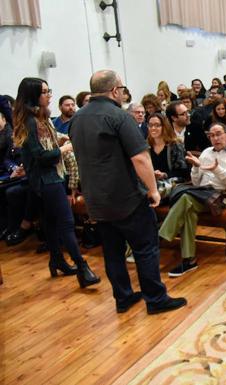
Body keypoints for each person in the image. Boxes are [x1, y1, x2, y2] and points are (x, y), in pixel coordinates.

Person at [70, 69, 186, 314]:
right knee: (146, 248)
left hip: (96, 199)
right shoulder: (119, 116)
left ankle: (122, 297)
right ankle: (155, 299)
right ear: (114, 90)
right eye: (122, 89)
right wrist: (153, 190)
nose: (122, 93)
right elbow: (140, 158)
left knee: (112, 252)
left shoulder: (77, 118)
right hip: (126, 198)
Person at [13, 77, 100, 288]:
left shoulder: (41, 118)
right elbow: (41, 156)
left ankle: (57, 261)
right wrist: (63, 149)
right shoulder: (30, 121)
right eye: (44, 91)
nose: (49, 94)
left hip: (50, 177)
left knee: (51, 223)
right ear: (34, 95)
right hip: (45, 179)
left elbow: (46, 143)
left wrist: (59, 140)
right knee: (67, 222)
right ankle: (82, 268)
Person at [159, 122, 226, 277]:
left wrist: (216, 169)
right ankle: (189, 260)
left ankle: (160, 238)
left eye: (218, 134)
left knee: (186, 199)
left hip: (221, 197)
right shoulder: (206, 153)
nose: (215, 138)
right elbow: (196, 183)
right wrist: (196, 167)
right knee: (188, 208)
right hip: (200, 194)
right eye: (212, 135)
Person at [146, 112, 189, 182]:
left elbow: (183, 172)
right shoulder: (146, 146)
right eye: (150, 125)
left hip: (172, 184)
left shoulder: (175, 145)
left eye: (157, 125)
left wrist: (164, 175)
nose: (153, 128)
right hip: (152, 183)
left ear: (164, 126)